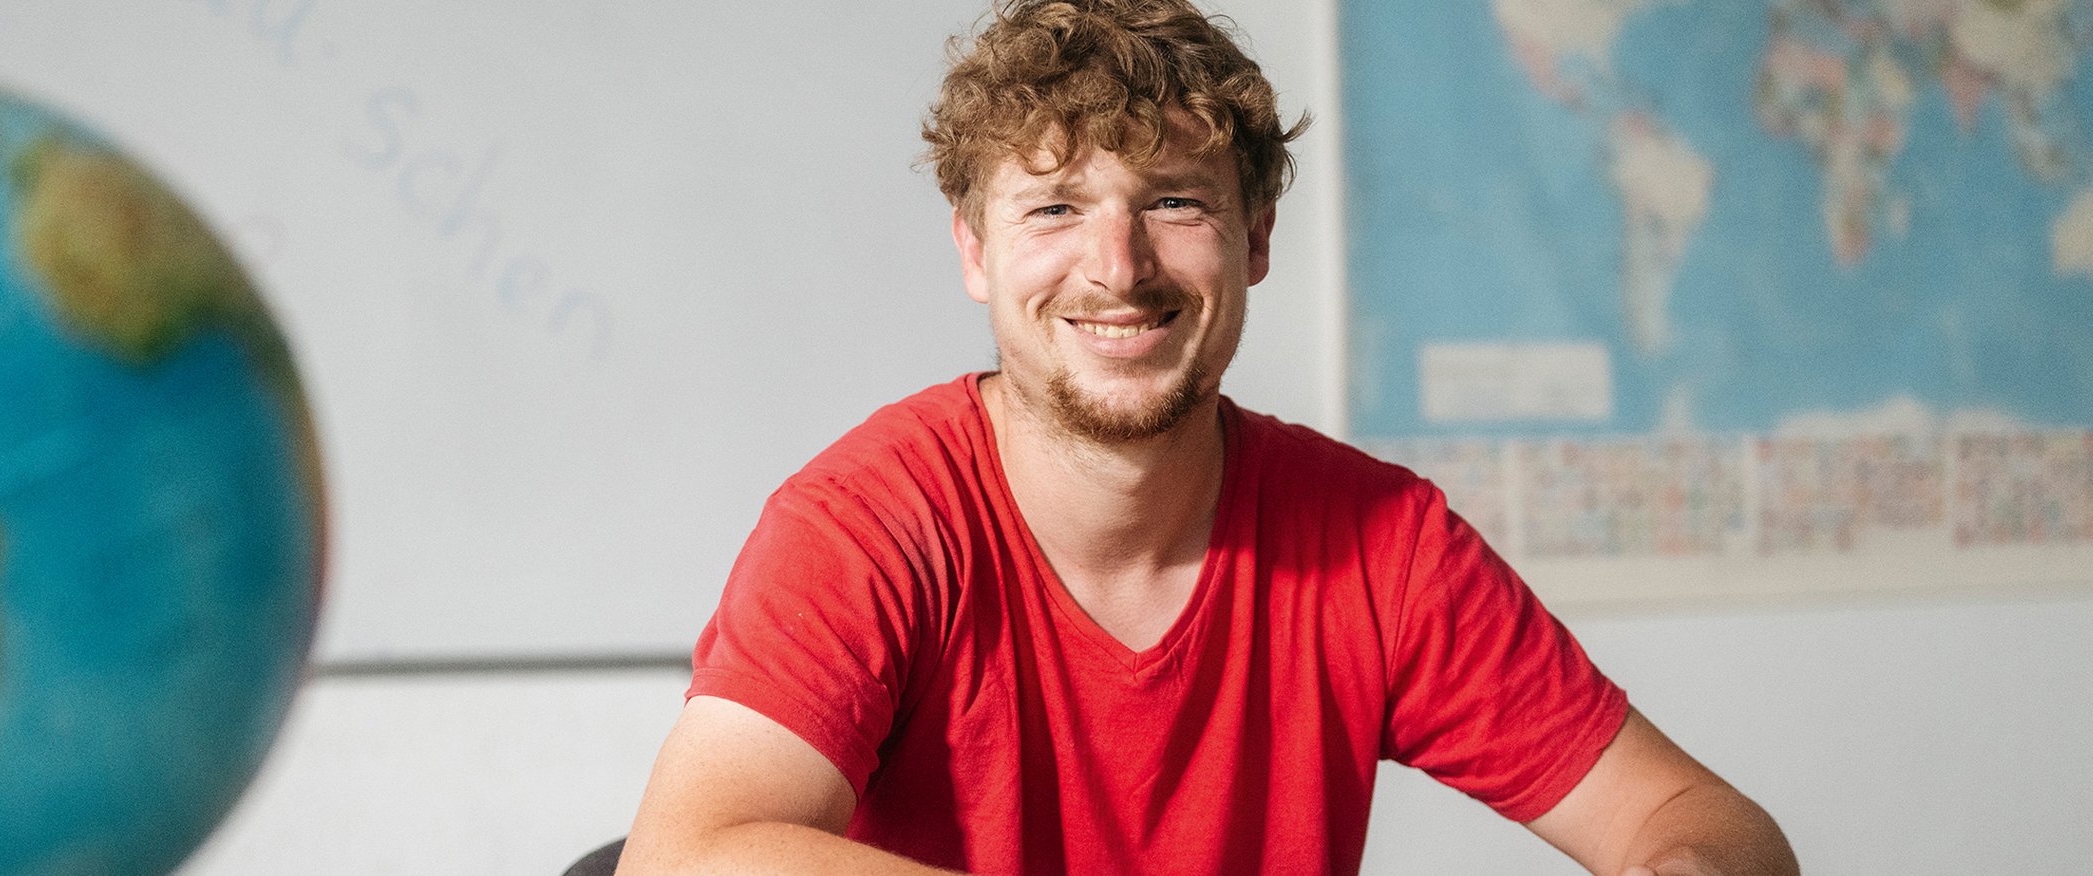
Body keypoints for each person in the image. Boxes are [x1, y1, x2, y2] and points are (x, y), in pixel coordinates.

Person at [619, 1, 1798, 873]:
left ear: (1256, 239)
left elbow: (1705, 826)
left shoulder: (1379, 541)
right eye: (1054, 207)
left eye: (1174, 201)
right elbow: (689, 853)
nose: (1117, 268)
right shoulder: (869, 523)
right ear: (975, 250)